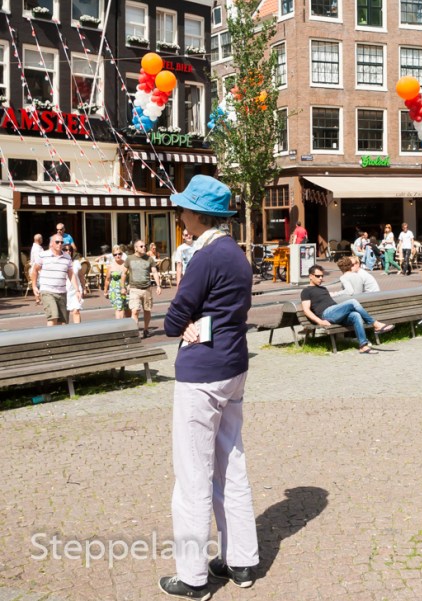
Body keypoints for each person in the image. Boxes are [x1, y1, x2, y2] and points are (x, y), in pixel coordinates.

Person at [158, 175, 258, 600]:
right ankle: (241, 561)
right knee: (231, 463)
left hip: (202, 373)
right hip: (234, 363)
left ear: (198, 214)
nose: (179, 214)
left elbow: (174, 317)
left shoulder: (204, 256)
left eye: (183, 209)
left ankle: (193, 577)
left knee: (193, 474)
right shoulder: (236, 253)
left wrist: (186, 325)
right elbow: (233, 309)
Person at [300, 264, 393, 355]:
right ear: (311, 276)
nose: (320, 278)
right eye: (318, 276)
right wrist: (320, 321)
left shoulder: (323, 288)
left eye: (322, 276)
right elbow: (306, 310)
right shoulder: (306, 291)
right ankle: (375, 324)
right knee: (353, 302)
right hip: (326, 314)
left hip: (335, 313)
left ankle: (363, 346)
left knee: (356, 315)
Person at [31, 234, 82, 326]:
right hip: (47, 291)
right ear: (51, 244)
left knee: (63, 322)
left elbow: (71, 274)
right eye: (57, 242)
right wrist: (34, 286)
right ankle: (49, 340)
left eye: (61, 242)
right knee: (53, 316)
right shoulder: (43, 255)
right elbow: (34, 270)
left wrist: (77, 290)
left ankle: (60, 340)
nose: (60, 244)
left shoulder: (67, 257)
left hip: (62, 292)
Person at [120, 239, 161, 339]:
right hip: (134, 289)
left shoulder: (149, 259)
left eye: (144, 246)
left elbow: (154, 272)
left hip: (147, 289)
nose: (144, 248)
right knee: (135, 311)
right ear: (136, 248)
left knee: (147, 310)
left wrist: (158, 285)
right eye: (141, 246)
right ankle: (135, 332)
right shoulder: (129, 259)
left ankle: (146, 329)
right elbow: (124, 273)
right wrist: (122, 287)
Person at [103, 245, 130, 319]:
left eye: (119, 254)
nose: (117, 256)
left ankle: (129, 327)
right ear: (113, 255)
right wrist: (105, 291)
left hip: (126, 288)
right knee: (119, 308)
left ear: (122, 254)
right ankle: (120, 327)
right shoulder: (111, 266)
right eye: (115, 254)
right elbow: (107, 279)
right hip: (115, 290)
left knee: (128, 309)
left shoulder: (126, 264)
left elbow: (131, 277)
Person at [64, 246, 84, 324]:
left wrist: (83, 288)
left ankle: (79, 332)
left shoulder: (76, 263)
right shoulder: (60, 263)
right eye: (65, 250)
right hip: (65, 291)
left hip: (76, 290)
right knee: (65, 314)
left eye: (70, 250)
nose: (68, 251)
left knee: (76, 311)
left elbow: (81, 276)